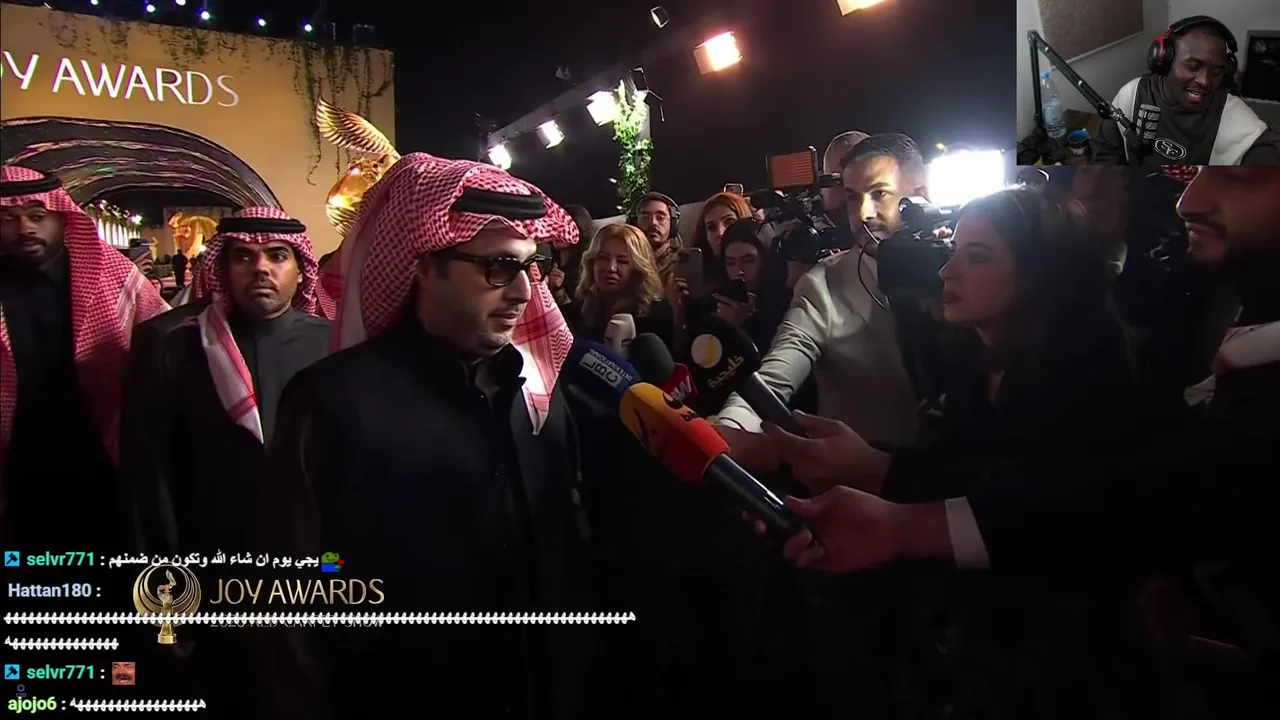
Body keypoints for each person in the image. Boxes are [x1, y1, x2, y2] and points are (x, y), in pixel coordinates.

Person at [758, 166, 1280, 666]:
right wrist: (866, 468)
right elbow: (964, 473)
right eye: (953, 251)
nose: (946, 271)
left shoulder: (1099, 376)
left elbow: (1065, 506)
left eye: (978, 256)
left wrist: (888, 492)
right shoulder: (966, 362)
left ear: (1038, 273)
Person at [253, 153, 594, 719]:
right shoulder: (333, 403)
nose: (523, 293)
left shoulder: (538, 394)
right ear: (424, 265)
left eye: (532, 266)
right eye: (498, 268)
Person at [124, 207, 334, 553]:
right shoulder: (175, 348)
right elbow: (152, 472)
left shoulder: (334, 344)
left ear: (301, 271)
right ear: (223, 270)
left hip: (311, 546)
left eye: (277, 255)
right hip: (210, 544)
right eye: (243, 257)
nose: (261, 268)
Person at [715, 133, 924, 452]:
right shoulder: (822, 284)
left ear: (921, 197)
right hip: (854, 481)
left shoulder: (963, 270)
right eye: (852, 197)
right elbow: (773, 378)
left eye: (879, 193)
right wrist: (725, 432)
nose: (863, 213)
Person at [0, 165, 169, 550]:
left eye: (37, 216)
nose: (24, 228)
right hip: (19, 457)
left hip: (104, 445)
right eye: (8, 219)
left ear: (62, 218)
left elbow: (165, 336)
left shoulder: (110, 271)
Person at [1093, 16, 1280, 166]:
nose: (1205, 81)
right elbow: (1106, 151)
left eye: (1216, 72)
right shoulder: (1132, 94)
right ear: (1164, 60)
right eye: (1193, 66)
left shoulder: (1236, 118)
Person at [561, 223, 674, 346]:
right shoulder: (572, 314)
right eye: (603, 258)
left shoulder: (657, 317)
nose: (611, 268)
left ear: (639, 269)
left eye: (622, 261)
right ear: (591, 262)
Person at [631, 191, 682, 286]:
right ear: (635, 224)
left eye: (660, 218)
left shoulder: (682, 264)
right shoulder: (625, 262)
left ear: (673, 224)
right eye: (645, 217)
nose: (653, 223)